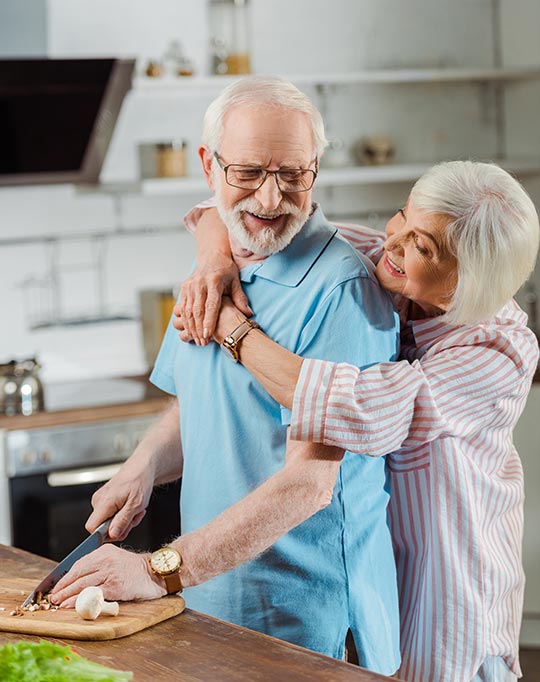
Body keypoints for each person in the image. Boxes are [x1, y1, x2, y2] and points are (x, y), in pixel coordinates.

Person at [51, 76, 401, 675]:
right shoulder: (213, 273)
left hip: (308, 623)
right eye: (249, 174)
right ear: (209, 165)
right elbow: (204, 402)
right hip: (211, 602)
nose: (270, 199)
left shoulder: (342, 289)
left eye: (293, 175)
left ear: (316, 168)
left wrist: (155, 569)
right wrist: (142, 469)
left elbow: (310, 484)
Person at [174, 159, 540, 682]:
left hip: (453, 604)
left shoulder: (497, 351)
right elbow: (231, 215)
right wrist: (213, 258)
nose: (393, 244)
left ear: (467, 282)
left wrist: (233, 330)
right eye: (402, 217)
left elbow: (360, 408)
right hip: (379, 587)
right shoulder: (380, 259)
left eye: (423, 246)